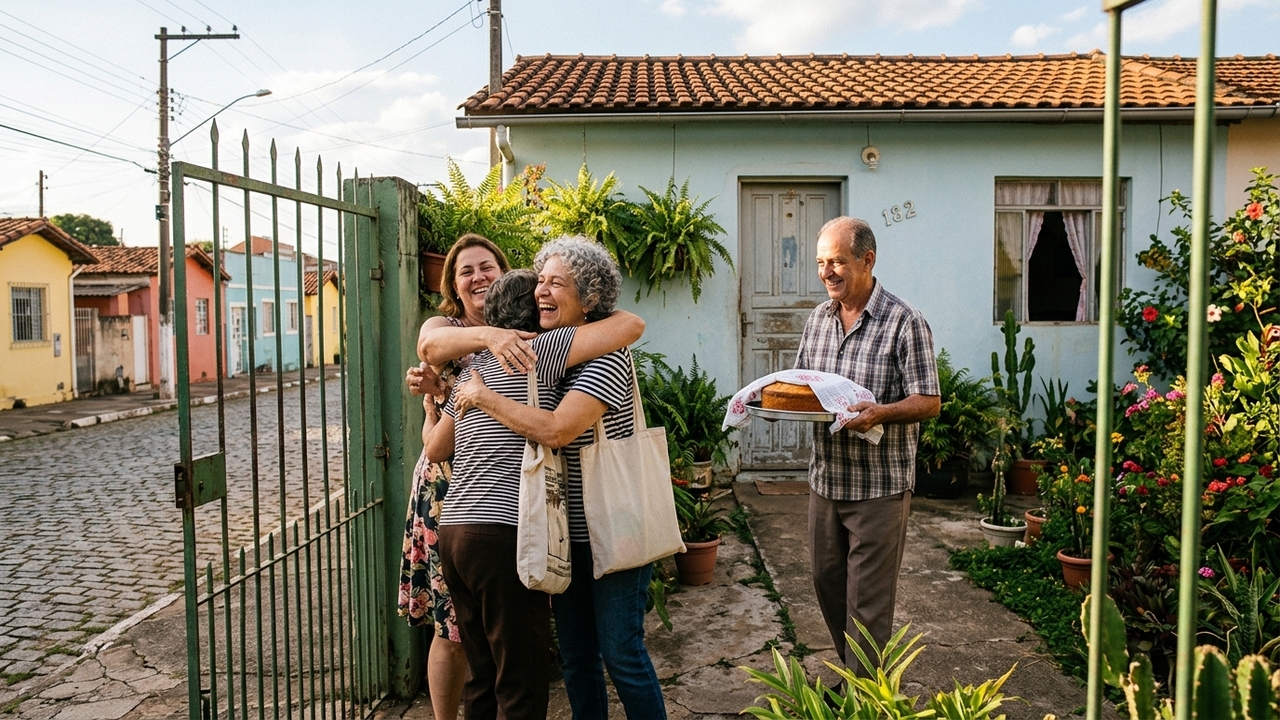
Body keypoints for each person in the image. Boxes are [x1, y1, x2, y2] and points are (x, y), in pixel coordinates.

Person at [452, 237, 666, 720]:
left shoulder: (606, 357)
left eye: (557, 284)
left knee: (622, 656)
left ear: (589, 299)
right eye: (540, 281)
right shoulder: (541, 354)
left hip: (614, 522)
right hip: (565, 531)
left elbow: (560, 430)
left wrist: (485, 398)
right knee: (576, 660)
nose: (541, 293)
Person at [399, 233, 537, 720]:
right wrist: (439, 396)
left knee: (479, 644)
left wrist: (446, 394)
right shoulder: (452, 331)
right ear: (453, 287)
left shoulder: (527, 344)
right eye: (466, 271)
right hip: (447, 490)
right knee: (452, 630)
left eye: (487, 267)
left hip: (475, 496)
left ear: (503, 274)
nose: (478, 276)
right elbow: (429, 345)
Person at [794, 216, 940, 674]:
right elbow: (802, 384)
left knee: (868, 604)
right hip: (826, 478)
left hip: (879, 485)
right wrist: (767, 398)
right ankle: (857, 677)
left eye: (836, 261)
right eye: (821, 262)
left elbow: (929, 401)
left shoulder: (905, 321)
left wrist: (881, 412)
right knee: (826, 582)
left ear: (867, 260)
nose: (826, 272)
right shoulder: (818, 319)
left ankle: (863, 698)